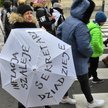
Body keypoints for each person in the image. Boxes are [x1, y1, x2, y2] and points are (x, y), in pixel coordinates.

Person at [56, 0, 105, 107]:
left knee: (67, 77)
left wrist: (64, 45)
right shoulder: (80, 26)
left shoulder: (69, 19)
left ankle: (64, 97)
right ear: (86, 11)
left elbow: (58, 31)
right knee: (84, 80)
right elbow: (84, 47)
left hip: (67, 54)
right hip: (78, 58)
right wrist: (91, 52)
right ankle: (91, 102)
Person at [9, 4, 51, 108]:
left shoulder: (33, 26)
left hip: (36, 62)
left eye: (31, 13)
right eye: (27, 13)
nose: (29, 15)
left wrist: (43, 34)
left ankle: (45, 103)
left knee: (40, 85)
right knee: (24, 91)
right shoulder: (16, 29)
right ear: (20, 16)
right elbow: (13, 47)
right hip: (23, 64)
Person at [87, 11, 107, 83]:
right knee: (93, 67)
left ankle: (94, 78)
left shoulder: (92, 25)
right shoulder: (96, 30)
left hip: (90, 51)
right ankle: (87, 78)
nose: (104, 23)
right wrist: (100, 49)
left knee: (92, 66)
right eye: (104, 21)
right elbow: (95, 42)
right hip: (94, 52)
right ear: (100, 21)